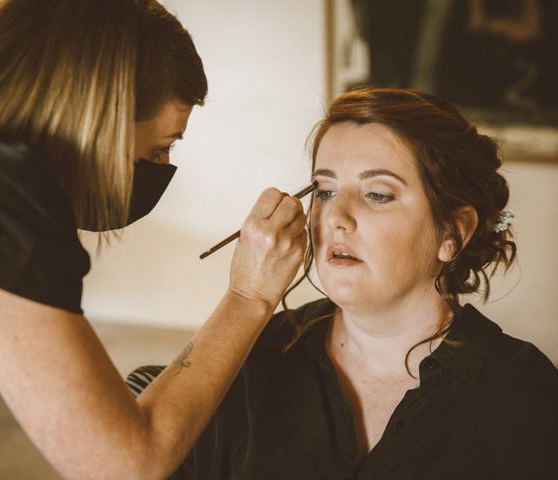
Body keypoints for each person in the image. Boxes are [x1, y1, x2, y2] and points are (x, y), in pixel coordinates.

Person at [0, 1, 307, 478]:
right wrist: (249, 297)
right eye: (160, 146)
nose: (161, 168)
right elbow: (125, 463)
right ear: (98, 113)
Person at [162, 87, 558, 479]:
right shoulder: (253, 356)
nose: (336, 216)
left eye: (378, 195)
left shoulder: (524, 394)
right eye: (326, 190)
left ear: (453, 231)